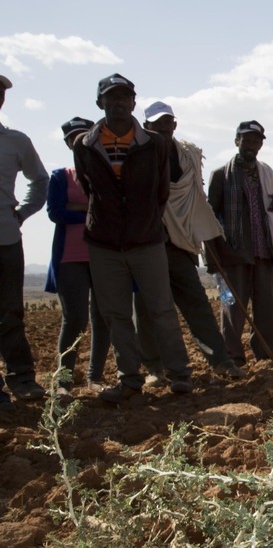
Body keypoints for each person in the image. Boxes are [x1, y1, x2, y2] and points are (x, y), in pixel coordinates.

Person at [74, 74, 193, 402]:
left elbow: (161, 192)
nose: (118, 103)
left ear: (133, 103)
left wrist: (144, 222)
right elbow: (90, 190)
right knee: (116, 314)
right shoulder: (84, 145)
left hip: (147, 240)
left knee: (162, 309)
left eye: (124, 98)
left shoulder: (154, 144)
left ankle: (179, 374)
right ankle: (129, 378)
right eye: (111, 98)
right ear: (100, 103)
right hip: (104, 242)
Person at [135, 102, 245, 382]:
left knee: (196, 304)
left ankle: (221, 361)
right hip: (146, 242)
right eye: (157, 122)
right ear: (146, 125)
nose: (163, 126)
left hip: (180, 244)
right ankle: (154, 367)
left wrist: (208, 238)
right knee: (149, 308)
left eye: (168, 121)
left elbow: (197, 200)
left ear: (174, 124)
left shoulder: (187, 156)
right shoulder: (138, 154)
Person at [206, 120, 273, 366]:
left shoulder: (267, 174)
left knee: (267, 309)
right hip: (232, 255)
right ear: (236, 141)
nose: (250, 144)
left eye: (255, 140)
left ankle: (264, 353)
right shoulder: (220, 175)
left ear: (261, 144)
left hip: (264, 252)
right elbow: (210, 216)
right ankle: (233, 356)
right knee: (232, 308)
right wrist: (212, 257)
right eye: (246, 140)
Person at [45, 117, 110, 395]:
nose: (79, 142)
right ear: (68, 143)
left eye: (85, 136)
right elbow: (55, 213)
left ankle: (95, 378)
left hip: (103, 255)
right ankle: (64, 383)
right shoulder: (61, 176)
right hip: (69, 257)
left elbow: (114, 212)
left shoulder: (106, 175)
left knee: (103, 317)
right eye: (74, 138)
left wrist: (78, 209)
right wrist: (92, 211)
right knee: (75, 319)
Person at [0, 73, 49, 407]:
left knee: (10, 312)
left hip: (5, 237)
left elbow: (39, 179)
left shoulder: (16, 141)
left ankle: (22, 378)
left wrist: (22, 213)